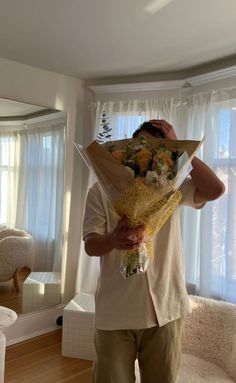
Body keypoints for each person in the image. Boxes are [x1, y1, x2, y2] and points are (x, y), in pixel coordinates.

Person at [82, 119, 225, 383]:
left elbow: (216, 189)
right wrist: (113, 239)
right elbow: (91, 244)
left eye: (158, 147)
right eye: (140, 146)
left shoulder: (174, 186)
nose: (145, 152)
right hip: (115, 312)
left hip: (166, 308)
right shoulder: (100, 191)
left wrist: (182, 150)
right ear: (129, 149)